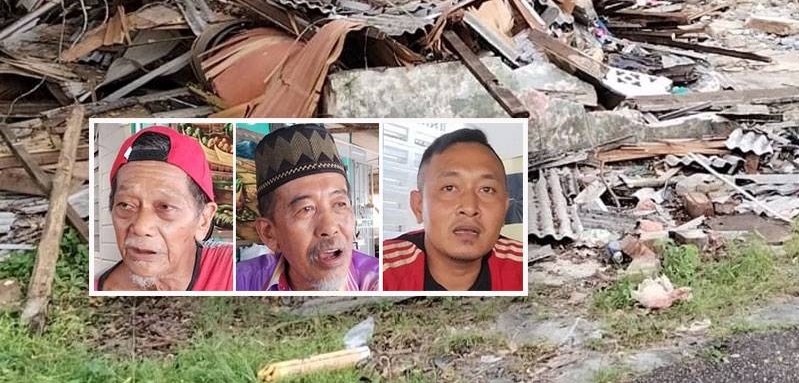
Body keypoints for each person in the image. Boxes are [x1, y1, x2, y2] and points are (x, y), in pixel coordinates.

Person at [236, 124, 379, 291]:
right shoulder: (240, 282)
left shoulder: (381, 280)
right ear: (269, 233)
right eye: (306, 209)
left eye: (340, 204)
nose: (330, 227)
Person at [382, 128, 523, 292]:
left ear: (504, 208)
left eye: (486, 190)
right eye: (449, 188)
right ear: (418, 205)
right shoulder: (383, 269)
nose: (470, 208)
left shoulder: (524, 266)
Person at [96, 126, 233, 291]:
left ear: (203, 220)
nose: (141, 227)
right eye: (125, 205)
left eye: (165, 207)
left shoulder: (232, 272)